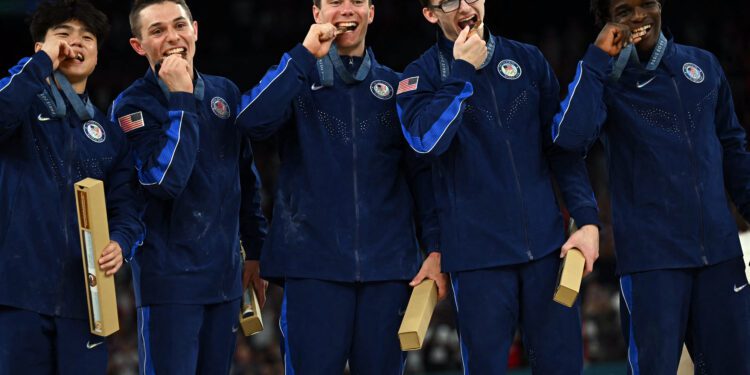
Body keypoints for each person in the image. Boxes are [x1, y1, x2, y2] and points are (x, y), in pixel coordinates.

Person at [234, 0, 445, 373]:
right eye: (335, 2)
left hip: (388, 271)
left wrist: (435, 248)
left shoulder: (399, 87)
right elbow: (251, 122)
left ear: (372, 12)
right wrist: (303, 56)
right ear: (316, 13)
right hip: (312, 268)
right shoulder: (297, 80)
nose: (347, 9)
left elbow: (422, 177)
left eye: (357, 2)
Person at [397, 0, 601, 373]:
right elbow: (426, 142)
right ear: (429, 13)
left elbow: (560, 150)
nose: (464, 6)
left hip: (546, 250)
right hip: (477, 262)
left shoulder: (528, 59)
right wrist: (462, 71)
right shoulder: (419, 77)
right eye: (447, 1)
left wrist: (587, 220)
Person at [551, 0, 750, 373]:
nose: (639, 16)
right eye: (625, 9)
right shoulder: (606, 80)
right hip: (652, 263)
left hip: (720, 258)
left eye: (647, 4)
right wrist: (596, 61)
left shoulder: (703, 65)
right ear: (607, 19)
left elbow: (733, 148)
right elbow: (568, 140)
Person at [110, 0, 267, 373]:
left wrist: (257, 251)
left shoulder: (224, 93)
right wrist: (181, 98)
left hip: (225, 281)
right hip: (170, 285)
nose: (172, 37)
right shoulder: (131, 106)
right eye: (157, 31)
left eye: (179, 25)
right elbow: (164, 181)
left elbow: (246, 179)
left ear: (195, 29)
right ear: (139, 45)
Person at [0, 0, 144, 373]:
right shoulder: (21, 110)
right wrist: (39, 66)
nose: (74, 44)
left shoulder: (109, 135)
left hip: (86, 303)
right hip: (17, 295)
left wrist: (121, 243)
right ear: (40, 48)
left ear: (97, 53)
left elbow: (127, 208)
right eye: (62, 35)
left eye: (86, 37)